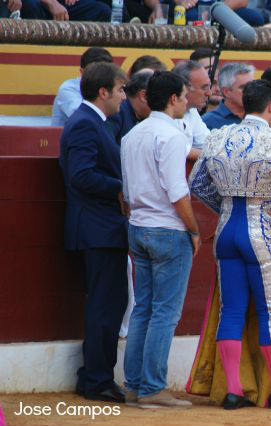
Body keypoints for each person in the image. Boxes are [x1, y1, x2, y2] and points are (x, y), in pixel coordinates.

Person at [189, 80, 271, 410]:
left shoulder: (218, 137)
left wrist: (225, 206)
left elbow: (196, 183)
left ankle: (233, 390)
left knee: (231, 311)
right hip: (261, 231)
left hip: (227, 231)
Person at [121, 71, 201, 409]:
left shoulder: (131, 135)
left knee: (143, 309)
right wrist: (194, 229)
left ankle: (134, 385)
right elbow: (177, 191)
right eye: (183, 96)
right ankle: (152, 387)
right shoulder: (170, 137)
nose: (186, 101)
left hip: (137, 226)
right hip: (167, 229)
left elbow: (124, 194)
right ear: (172, 99)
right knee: (165, 313)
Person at [59, 62, 128, 403]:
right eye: (120, 90)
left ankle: (95, 377)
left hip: (100, 226)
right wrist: (121, 187)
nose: (123, 97)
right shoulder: (86, 124)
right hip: (96, 228)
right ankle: (97, 379)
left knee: (108, 303)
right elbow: (81, 176)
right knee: (106, 304)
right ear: (104, 92)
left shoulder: (94, 122)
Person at [51, 47, 112, 127]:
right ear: (82, 72)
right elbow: (84, 118)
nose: (101, 78)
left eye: (105, 73)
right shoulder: (68, 89)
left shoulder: (113, 88)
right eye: (95, 73)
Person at [172, 60, 213, 158]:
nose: (209, 93)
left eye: (209, 87)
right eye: (204, 88)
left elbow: (209, 143)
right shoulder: (166, 112)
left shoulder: (192, 110)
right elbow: (176, 149)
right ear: (184, 88)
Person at [107, 69, 153, 145]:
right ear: (143, 96)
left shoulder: (143, 117)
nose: (162, 106)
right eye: (159, 97)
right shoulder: (116, 112)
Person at [202, 63, 255, 129]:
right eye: (244, 87)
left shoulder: (260, 115)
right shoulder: (207, 122)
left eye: (252, 85)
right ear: (226, 92)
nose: (251, 90)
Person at [168, 0, 265, 26]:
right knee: (191, 17)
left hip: (219, 5)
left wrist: (216, 11)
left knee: (255, 18)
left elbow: (242, 1)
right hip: (193, 5)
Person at [20, 0, 111, 21]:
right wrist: (52, 2)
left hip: (66, 4)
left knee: (102, 10)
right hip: (37, 4)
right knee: (30, 6)